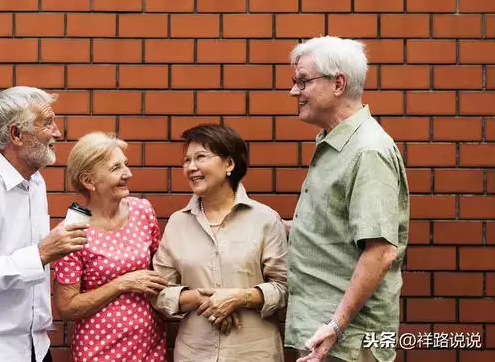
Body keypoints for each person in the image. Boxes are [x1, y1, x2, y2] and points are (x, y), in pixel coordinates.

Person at [284, 36, 409, 362]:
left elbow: (380, 251)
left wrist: (336, 326)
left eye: (303, 81)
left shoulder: (367, 151)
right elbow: (333, 231)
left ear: (338, 83)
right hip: (326, 336)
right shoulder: (335, 143)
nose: (294, 92)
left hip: (348, 342)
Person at [0, 87, 89, 362]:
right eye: (47, 123)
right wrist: (41, 254)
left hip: (35, 346)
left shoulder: (35, 182)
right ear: (16, 135)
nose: (57, 132)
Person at [152, 124, 288, 361]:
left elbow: (285, 288)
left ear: (229, 164)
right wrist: (200, 299)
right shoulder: (177, 223)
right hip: (195, 352)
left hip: (253, 353)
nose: (191, 167)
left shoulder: (265, 219)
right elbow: (158, 292)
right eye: (186, 160)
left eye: (200, 157)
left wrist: (239, 297)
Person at [53, 132, 167, 361]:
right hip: (99, 351)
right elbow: (66, 307)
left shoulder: (142, 211)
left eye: (126, 164)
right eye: (116, 168)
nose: (128, 173)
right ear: (88, 181)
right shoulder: (73, 230)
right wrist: (122, 284)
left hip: (149, 346)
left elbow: (161, 268)